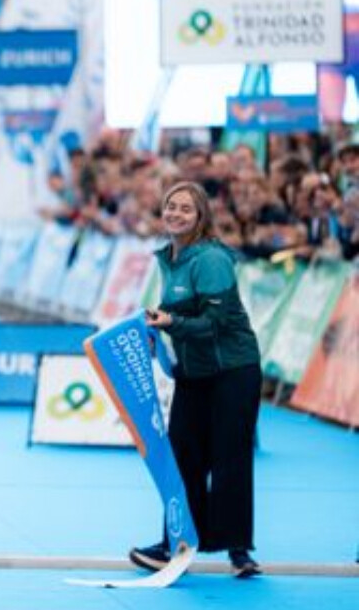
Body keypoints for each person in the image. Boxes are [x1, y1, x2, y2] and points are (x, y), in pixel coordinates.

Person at [130, 181, 263, 578]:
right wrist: (156, 330)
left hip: (233, 371)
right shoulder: (169, 257)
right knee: (183, 459)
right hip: (193, 373)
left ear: (201, 216)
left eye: (186, 208)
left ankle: (239, 552)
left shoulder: (211, 259)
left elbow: (213, 322)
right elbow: (179, 314)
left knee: (230, 460)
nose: (176, 213)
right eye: (171, 206)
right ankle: (175, 544)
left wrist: (171, 322)